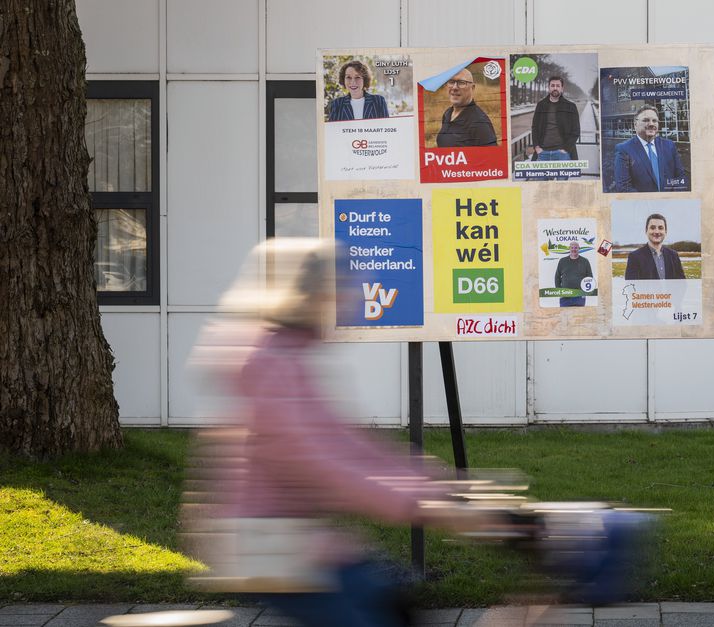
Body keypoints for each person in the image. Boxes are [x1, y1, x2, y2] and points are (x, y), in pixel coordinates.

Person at [188, 238, 492, 627]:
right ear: (304, 294)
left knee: (393, 603)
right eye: (338, 290)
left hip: (295, 534)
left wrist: (438, 487)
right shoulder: (267, 363)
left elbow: (347, 443)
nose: (344, 301)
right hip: (264, 540)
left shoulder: (292, 356)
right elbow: (314, 460)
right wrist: (418, 504)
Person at [612, 105, 686, 192]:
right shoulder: (624, 149)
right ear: (635, 125)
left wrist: (671, 199)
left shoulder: (669, 145)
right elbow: (623, 187)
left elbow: (680, 177)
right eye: (646, 120)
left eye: (654, 120)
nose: (651, 124)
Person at [436, 67, 497, 147]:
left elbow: (492, 157)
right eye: (451, 82)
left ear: (472, 88)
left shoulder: (479, 123)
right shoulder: (448, 114)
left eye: (461, 83)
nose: (454, 87)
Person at [531, 76, 581, 162]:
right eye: (552, 85)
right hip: (543, 153)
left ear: (562, 88)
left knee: (562, 176)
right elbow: (534, 127)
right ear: (549, 87)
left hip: (562, 154)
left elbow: (576, 131)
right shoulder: (541, 105)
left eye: (558, 86)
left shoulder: (571, 106)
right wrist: (537, 147)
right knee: (543, 176)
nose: (555, 88)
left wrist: (566, 149)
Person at [623, 213, 685, 280]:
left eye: (660, 228)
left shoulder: (674, 255)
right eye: (652, 228)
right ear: (646, 231)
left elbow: (682, 284)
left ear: (665, 231)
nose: (657, 231)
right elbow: (631, 287)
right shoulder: (635, 257)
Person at [554, 240, 592, 307]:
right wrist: (559, 291)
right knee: (564, 316)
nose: (573, 249)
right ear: (569, 248)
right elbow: (557, 277)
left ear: (579, 249)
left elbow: (589, 277)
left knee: (579, 316)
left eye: (576, 248)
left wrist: (585, 291)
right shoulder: (562, 261)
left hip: (579, 295)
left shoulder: (585, 261)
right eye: (572, 247)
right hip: (565, 295)